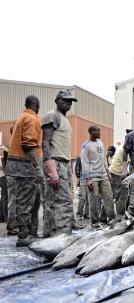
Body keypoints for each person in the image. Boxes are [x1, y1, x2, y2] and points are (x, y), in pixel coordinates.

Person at [5, 95, 43, 246]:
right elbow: (28, 145)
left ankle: (24, 232)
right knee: (25, 201)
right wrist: (37, 166)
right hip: (25, 167)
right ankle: (23, 236)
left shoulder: (21, 117)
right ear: (36, 105)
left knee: (21, 199)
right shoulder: (30, 119)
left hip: (17, 166)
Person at [41, 90, 77, 237]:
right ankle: (61, 239)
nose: (68, 103)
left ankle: (50, 236)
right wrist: (52, 171)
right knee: (63, 203)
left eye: (70, 101)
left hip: (64, 164)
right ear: (56, 100)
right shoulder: (52, 115)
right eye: (65, 100)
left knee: (55, 201)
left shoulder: (64, 119)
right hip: (56, 163)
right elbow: (45, 143)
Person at [80, 125, 116, 227]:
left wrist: (108, 172)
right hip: (92, 177)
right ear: (92, 132)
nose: (100, 133)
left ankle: (112, 218)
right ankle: (95, 222)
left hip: (103, 175)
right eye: (98, 131)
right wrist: (88, 179)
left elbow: (104, 158)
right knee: (94, 200)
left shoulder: (101, 142)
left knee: (108, 197)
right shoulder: (85, 146)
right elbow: (84, 162)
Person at [108, 140, 128, 215]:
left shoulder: (121, 146)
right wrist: (125, 175)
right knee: (121, 195)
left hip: (112, 171)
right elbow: (125, 164)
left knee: (111, 195)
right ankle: (119, 216)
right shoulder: (125, 148)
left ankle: (103, 217)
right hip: (117, 173)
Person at [0, 146, 7, 223]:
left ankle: (2, 217)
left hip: (3, 176)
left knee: (3, 197)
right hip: (2, 177)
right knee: (5, 197)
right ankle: (5, 218)